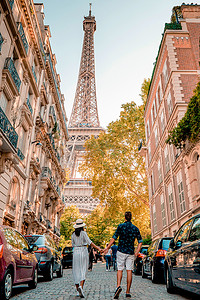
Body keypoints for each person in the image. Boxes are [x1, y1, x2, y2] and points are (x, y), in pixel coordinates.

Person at [104, 212, 143, 299]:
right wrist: (136, 252)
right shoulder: (135, 228)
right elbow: (140, 242)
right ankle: (128, 291)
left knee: (120, 269)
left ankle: (118, 286)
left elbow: (114, 238)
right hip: (130, 252)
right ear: (131, 218)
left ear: (125, 218)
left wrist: (107, 248)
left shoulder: (120, 226)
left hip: (121, 251)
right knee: (129, 271)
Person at [72, 219, 102, 298]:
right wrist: (98, 248)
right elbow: (90, 242)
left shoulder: (73, 234)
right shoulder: (83, 233)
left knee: (76, 270)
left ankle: (77, 290)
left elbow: (73, 244)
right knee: (83, 269)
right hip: (83, 250)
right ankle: (81, 287)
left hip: (76, 252)